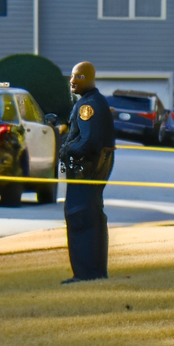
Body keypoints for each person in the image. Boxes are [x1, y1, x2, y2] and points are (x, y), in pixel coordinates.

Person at [58, 60, 115, 283]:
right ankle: (95, 271)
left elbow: (89, 142)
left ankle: (85, 273)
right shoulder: (96, 101)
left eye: (78, 76)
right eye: (72, 76)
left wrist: (67, 150)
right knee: (92, 215)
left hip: (85, 172)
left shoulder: (87, 106)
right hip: (93, 172)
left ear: (89, 78)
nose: (72, 81)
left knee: (80, 216)